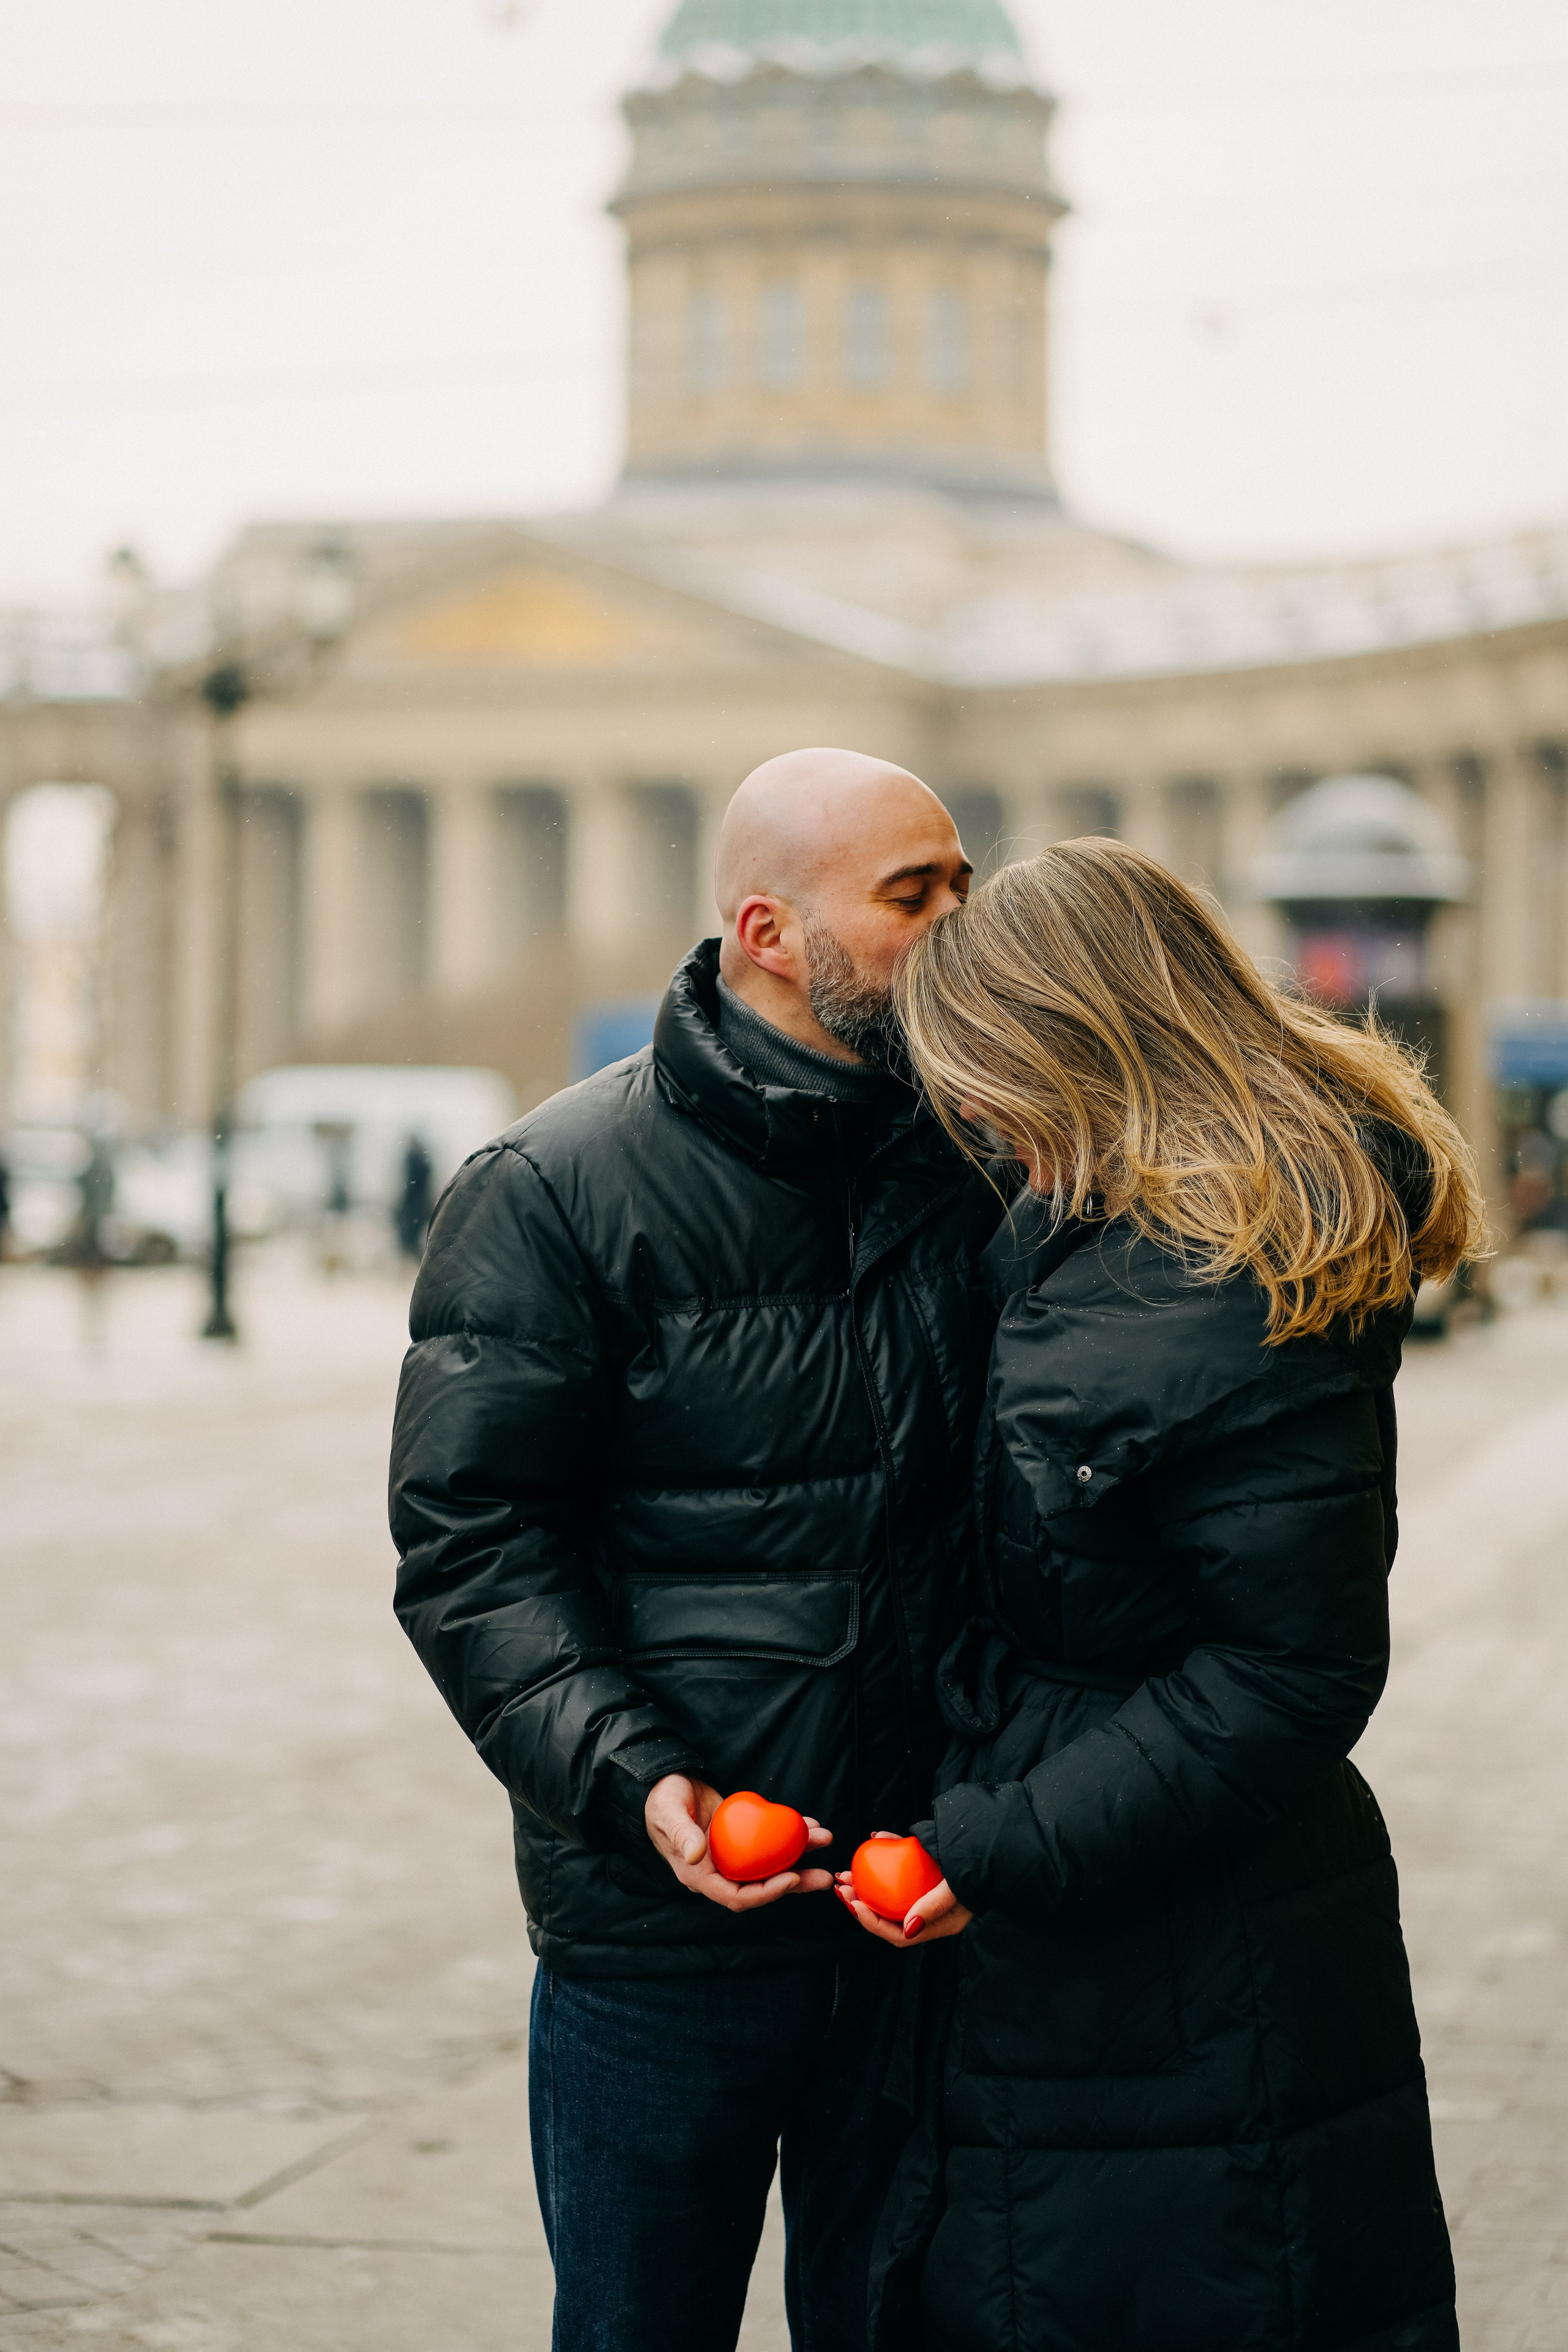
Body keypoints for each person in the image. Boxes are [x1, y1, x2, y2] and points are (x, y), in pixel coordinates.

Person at [388, 748, 1002, 2352]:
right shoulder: (548, 1192)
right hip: (664, 1937)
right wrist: (636, 1781)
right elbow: (473, 1544)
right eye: (912, 895)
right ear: (770, 931)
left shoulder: (996, 1167)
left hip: (929, 1923)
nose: (964, 922)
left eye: (963, 881)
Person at [838, 839, 1486, 2352]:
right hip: (1128, 1922)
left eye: (980, 1070)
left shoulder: (1222, 1276)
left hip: (1180, 1948)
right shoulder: (1112, 1241)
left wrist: (993, 1844)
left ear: (1074, 1041)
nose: (971, 1114)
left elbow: (1290, 1674)